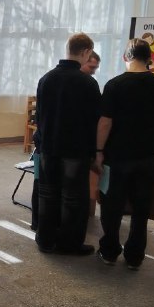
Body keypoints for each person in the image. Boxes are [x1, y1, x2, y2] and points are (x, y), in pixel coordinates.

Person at [95, 38, 154, 270]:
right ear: (149, 58)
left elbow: (105, 123)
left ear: (125, 57)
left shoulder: (114, 85)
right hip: (147, 158)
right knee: (141, 209)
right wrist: (153, 142)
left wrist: (99, 151)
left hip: (116, 158)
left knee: (112, 206)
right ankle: (134, 257)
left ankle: (109, 251)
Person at [35, 33, 101, 256]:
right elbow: (94, 121)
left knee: (47, 194)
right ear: (86, 52)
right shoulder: (87, 83)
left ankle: (45, 240)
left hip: (48, 147)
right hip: (75, 149)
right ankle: (70, 243)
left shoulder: (46, 79)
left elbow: (39, 116)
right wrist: (95, 151)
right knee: (73, 198)